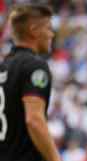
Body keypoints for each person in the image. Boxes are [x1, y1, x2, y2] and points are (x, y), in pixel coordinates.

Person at [0, 4, 61, 161]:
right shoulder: (35, 66)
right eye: (48, 28)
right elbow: (34, 120)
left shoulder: (3, 66)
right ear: (34, 30)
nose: (52, 34)